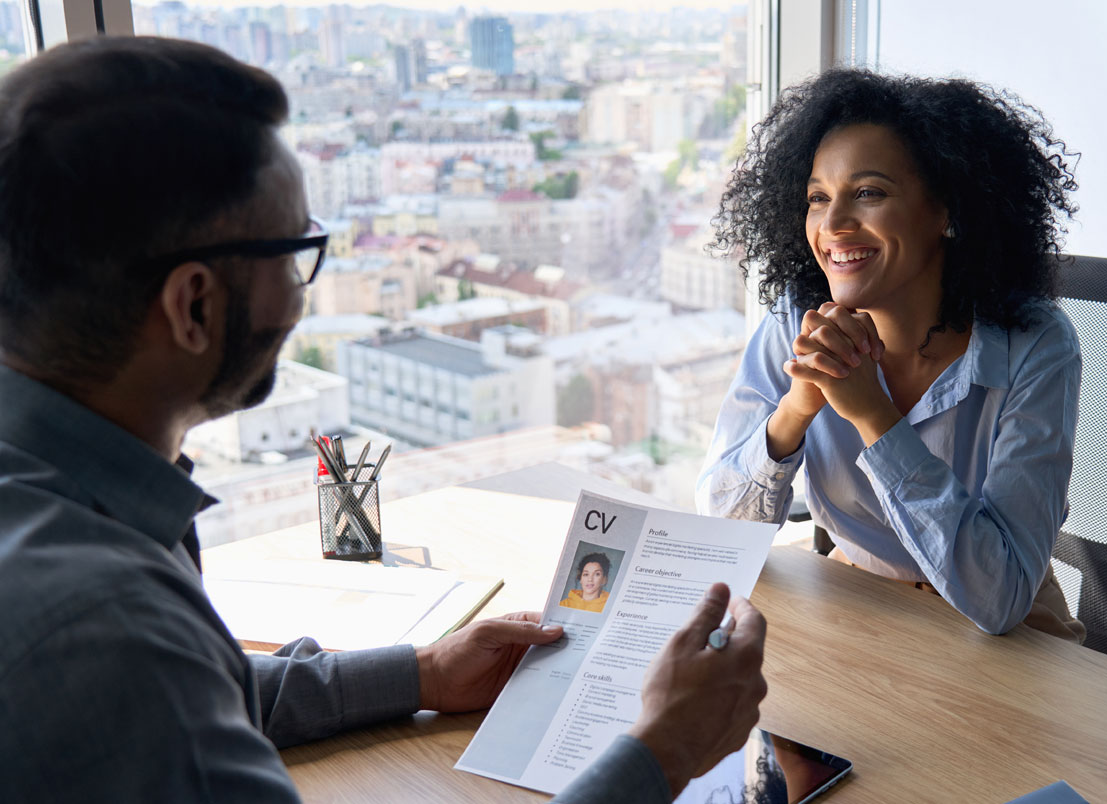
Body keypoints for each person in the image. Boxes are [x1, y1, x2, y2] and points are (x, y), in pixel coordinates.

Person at [0, 36, 767, 803]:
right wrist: (665, 749)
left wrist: (421, 672)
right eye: (298, 252)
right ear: (194, 305)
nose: (302, 297)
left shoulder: (54, 509)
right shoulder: (100, 628)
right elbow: (147, 683)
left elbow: (192, 698)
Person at [698, 69, 1086, 642]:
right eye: (817, 198)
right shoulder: (797, 318)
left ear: (947, 209)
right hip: (857, 606)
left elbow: (1000, 596)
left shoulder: (1034, 344)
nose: (832, 226)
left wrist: (873, 416)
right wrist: (796, 410)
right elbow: (719, 529)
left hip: (1007, 636)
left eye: (868, 193)